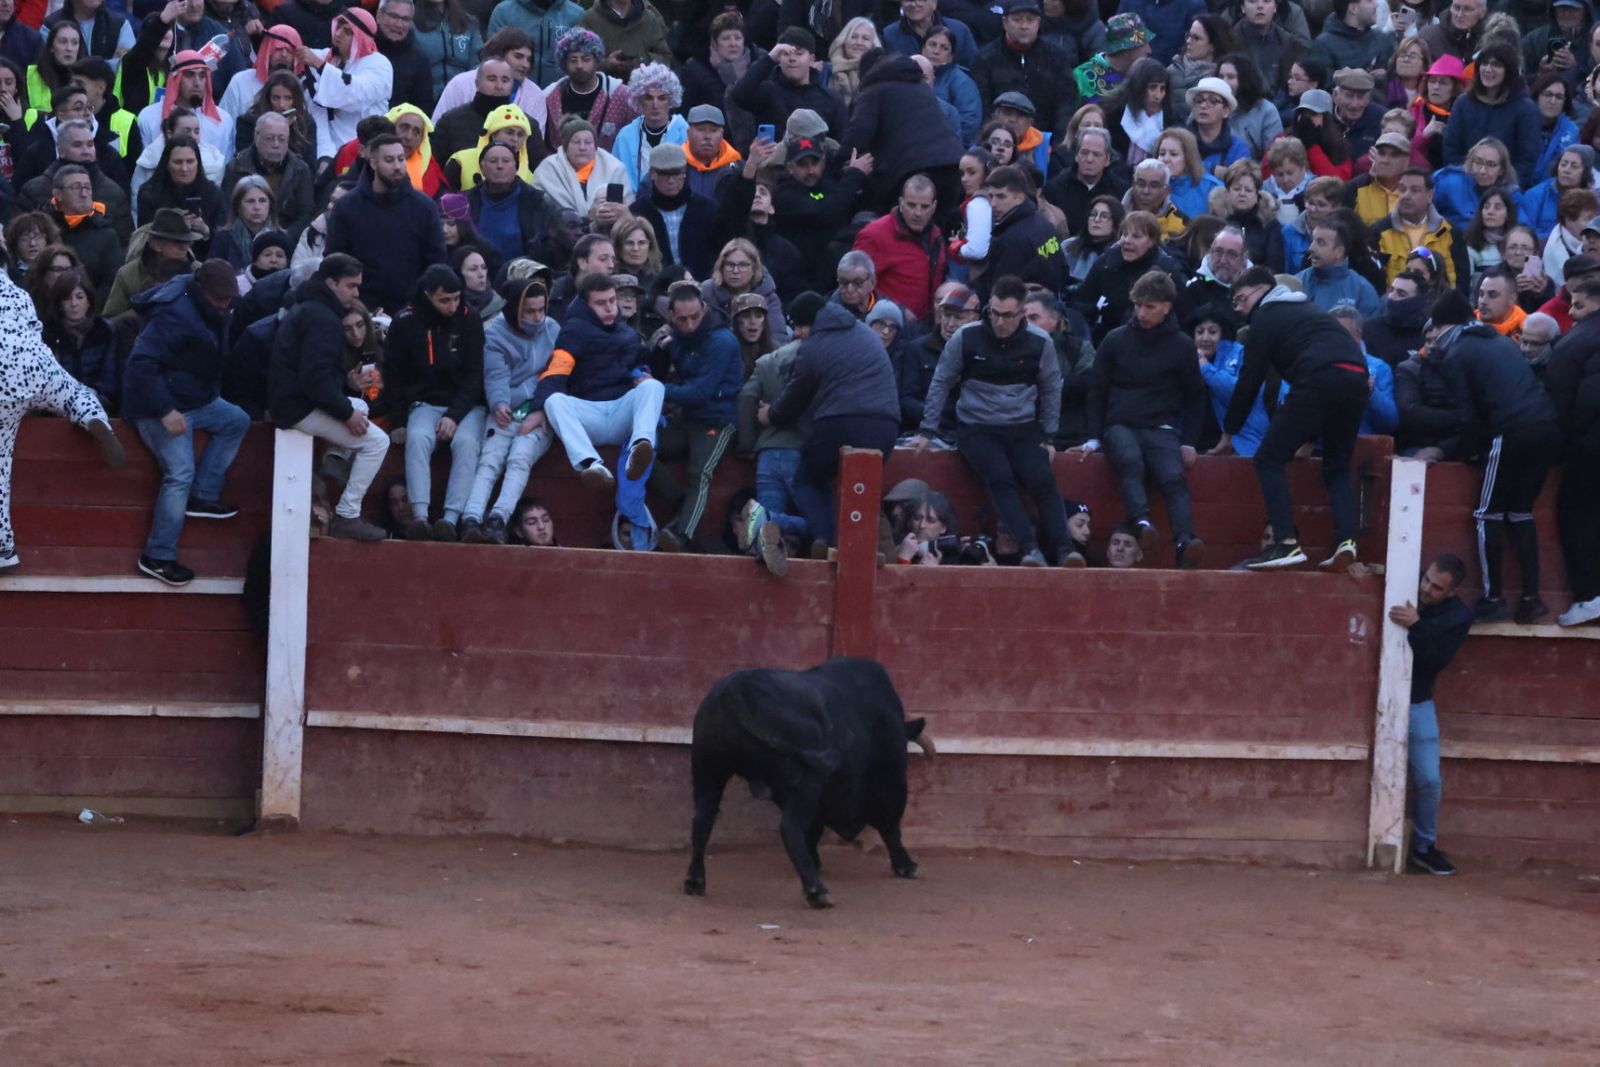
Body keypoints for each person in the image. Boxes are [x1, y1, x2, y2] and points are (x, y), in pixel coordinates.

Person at [910, 274, 1068, 567]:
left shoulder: (1039, 342)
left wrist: (1048, 435)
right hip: (977, 427)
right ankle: (1030, 548)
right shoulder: (967, 337)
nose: (999, 321)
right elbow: (941, 380)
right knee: (999, 476)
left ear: (1021, 314)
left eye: (1007, 315)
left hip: (1022, 427)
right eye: (994, 313)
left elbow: (1051, 387)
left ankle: (1064, 551)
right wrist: (927, 428)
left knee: (1042, 479)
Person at [1425, 290, 1562, 624]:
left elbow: (1466, 416)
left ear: (1440, 326)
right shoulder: (1499, 340)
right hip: (1546, 428)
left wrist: (1467, 449)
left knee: (1487, 514)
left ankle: (1492, 597)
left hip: (1511, 431)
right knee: (1519, 513)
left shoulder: (1456, 352)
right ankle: (1531, 598)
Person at [1227, 265, 1370, 571]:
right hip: (1357, 377)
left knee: (1268, 459)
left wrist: (1230, 430)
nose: (1240, 309)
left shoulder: (1265, 317)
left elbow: (1250, 380)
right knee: (1336, 466)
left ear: (1262, 290)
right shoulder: (1308, 311)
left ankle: (1285, 542)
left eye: (1241, 299)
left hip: (1318, 378)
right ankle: (1346, 540)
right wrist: (1306, 437)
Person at [121, 260, 248, 587]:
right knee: (179, 473)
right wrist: (164, 410)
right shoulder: (174, 313)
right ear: (202, 291)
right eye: (219, 300)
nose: (224, 306)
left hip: (195, 397)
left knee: (237, 421)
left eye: (227, 301)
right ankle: (158, 556)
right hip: (156, 406)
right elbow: (140, 365)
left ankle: (203, 495)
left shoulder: (203, 303)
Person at [0, 269, 125, 573]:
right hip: (34, 361)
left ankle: (4, 549)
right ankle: (94, 417)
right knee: (73, 392)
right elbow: (33, 327)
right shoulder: (14, 290)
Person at [1081, 269, 1206, 567]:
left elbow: (1195, 397)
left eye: (1149, 306)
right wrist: (1093, 436)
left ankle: (1184, 541)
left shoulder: (1182, 346)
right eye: (1138, 305)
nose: (1142, 312)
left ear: (1167, 307)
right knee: (1131, 461)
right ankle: (1141, 523)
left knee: (1173, 478)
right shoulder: (1116, 340)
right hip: (1120, 423)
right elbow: (1096, 390)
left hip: (1160, 427)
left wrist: (1189, 441)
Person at [266, 252, 389, 541]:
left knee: (359, 404)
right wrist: (345, 413)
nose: (356, 292)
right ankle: (347, 514)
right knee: (377, 442)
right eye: (350, 285)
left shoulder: (309, 307)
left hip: (290, 401)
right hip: (299, 408)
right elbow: (314, 379)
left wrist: (347, 402)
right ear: (331, 283)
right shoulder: (323, 318)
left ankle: (335, 461)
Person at [764, 295, 899, 548]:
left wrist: (770, 414)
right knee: (863, 483)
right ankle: (873, 535)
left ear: (808, 324)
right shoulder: (863, 331)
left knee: (808, 480)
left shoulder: (813, 346)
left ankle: (828, 540)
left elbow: (795, 396)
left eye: (798, 327)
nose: (796, 334)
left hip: (841, 420)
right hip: (887, 424)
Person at [1386, 552, 1474, 877]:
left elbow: (1434, 662)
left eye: (1436, 588)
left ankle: (1423, 847)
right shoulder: (1405, 582)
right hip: (1383, 697)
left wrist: (1417, 626)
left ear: (1451, 592)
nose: (1426, 589)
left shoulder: (1458, 617)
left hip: (1417, 701)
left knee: (1429, 781)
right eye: (1426, 580)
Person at [459, 276, 558, 543]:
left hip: (541, 413)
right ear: (516, 309)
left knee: (519, 458)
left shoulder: (553, 330)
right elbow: (495, 376)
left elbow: (557, 376)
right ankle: (470, 518)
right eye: (530, 311)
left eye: (541, 310)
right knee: (489, 461)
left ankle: (498, 518)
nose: (537, 318)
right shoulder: (495, 333)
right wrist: (500, 403)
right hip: (505, 409)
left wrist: (539, 408)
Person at [647, 283, 741, 551]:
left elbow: (700, 392)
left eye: (695, 317)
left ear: (705, 309)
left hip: (717, 421)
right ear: (671, 317)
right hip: (688, 418)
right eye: (682, 319)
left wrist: (653, 387)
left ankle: (682, 534)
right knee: (639, 448)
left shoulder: (721, 341)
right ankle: (682, 502)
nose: (689, 324)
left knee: (701, 473)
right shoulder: (675, 340)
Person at [737, 290, 827, 571]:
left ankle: (765, 518)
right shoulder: (821, 358)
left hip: (767, 453)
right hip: (800, 454)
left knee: (764, 535)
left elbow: (745, 398)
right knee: (822, 524)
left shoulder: (768, 360)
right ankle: (769, 518)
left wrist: (748, 443)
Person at [326, 132, 446, 314]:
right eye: (389, 160)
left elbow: (436, 261)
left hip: (412, 310)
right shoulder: (346, 207)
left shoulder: (424, 207)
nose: (397, 166)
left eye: (401, 159)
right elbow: (335, 260)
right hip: (359, 310)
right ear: (373, 163)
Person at [1546, 274, 1600, 626]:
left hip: (1589, 443)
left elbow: (1572, 402)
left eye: (1579, 305)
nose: (1574, 314)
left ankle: (1590, 595)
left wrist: (1562, 446)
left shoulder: (1577, 341)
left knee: (1576, 514)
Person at [301, 8, 396, 163]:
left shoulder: (380, 64)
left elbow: (355, 94)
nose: (338, 34)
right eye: (338, 27)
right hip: (328, 152)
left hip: (364, 151)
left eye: (347, 31)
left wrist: (320, 66)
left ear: (361, 37)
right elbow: (296, 52)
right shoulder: (330, 57)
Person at [850, 174, 947, 323]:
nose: (918, 213)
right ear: (901, 203)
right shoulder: (875, 235)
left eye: (924, 206)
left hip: (925, 327)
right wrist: (897, 312)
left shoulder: (935, 234)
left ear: (934, 207)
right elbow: (853, 288)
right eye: (911, 205)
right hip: (886, 328)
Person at [1441, 42, 1537, 186]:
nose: (1488, 69)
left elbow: (1526, 160)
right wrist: (1469, 178)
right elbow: (1451, 149)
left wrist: (1502, 187)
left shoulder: (1525, 108)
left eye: (1496, 65)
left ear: (1509, 70)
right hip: (1464, 182)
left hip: (1504, 189)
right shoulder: (1463, 102)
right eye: (1484, 63)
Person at [729, 27, 843, 139]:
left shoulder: (830, 99)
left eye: (799, 53)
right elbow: (738, 96)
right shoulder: (767, 91)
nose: (792, 58)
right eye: (786, 54)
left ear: (811, 59)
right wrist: (769, 59)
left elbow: (839, 142)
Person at [629, 142, 717, 278]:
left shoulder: (708, 209)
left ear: (685, 172)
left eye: (676, 173)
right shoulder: (637, 212)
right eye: (664, 174)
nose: (671, 180)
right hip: (653, 288)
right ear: (652, 173)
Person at [1371, 168, 1469, 290]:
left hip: (1439, 305)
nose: (1405, 196)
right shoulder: (1379, 232)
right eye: (1402, 189)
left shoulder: (1450, 232)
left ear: (1429, 196)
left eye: (1414, 190)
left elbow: (1461, 282)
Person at [610, 62, 685, 190]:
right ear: (638, 99)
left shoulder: (685, 134)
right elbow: (613, 178)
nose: (655, 105)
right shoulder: (625, 136)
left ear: (671, 100)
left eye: (662, 98)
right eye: (648, 98)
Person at [1073, 13, 1152, 106]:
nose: (1149, 50)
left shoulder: (1143, 78)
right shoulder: (1082, 76)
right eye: (1143, 45)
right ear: (1125, 50)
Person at [1308, 0, 1394, 75]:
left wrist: (1386, 77)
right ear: (1353, 9)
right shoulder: (1323, 46)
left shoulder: (1382, 39)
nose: (1376, 4)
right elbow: (1325, 85)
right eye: (1369, 0)